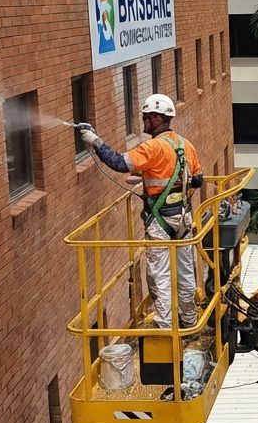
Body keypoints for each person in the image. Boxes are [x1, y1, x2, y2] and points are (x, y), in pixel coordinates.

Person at [81, 94, 205, 329]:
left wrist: (95, 141)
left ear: (157, 118)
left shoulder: (152, 147)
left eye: (146, 118)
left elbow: (118, 163)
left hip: (160, 220)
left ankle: (165, 325)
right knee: (186, 270)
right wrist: (151, 176)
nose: (144, 123)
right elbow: (197, 180)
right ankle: (189, 321)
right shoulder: (185, 144)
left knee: (160, 274)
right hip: (183, 217)